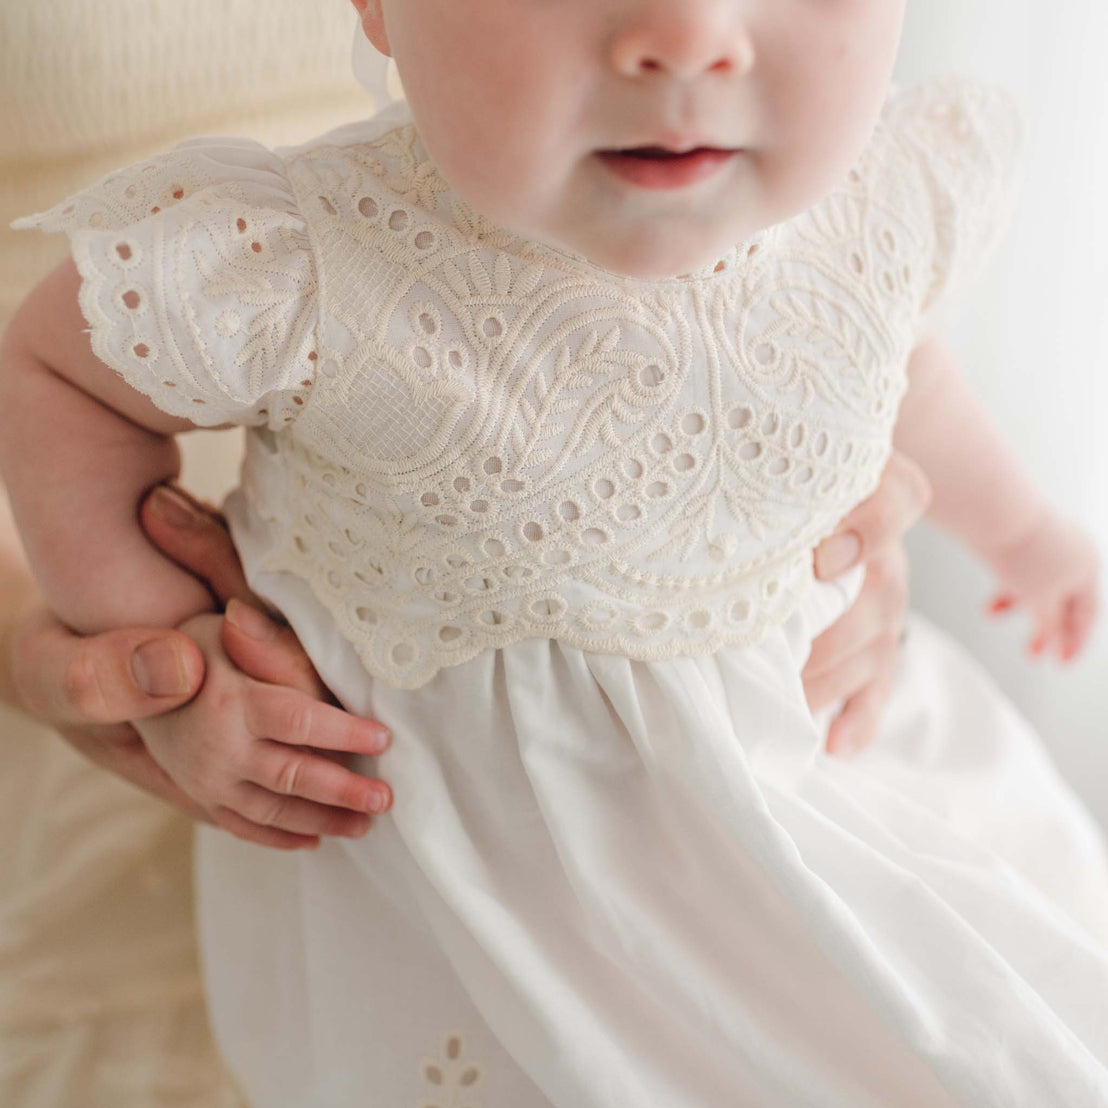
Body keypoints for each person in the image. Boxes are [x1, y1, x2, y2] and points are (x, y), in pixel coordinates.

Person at [2, 1, 1107, 1105]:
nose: (688, 34)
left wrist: (1022, 533)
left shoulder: (875, 191)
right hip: (486, 915)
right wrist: (158, 634)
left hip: (832, 794)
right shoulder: (303, 261)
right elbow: (54, 379)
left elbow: (895, 359)